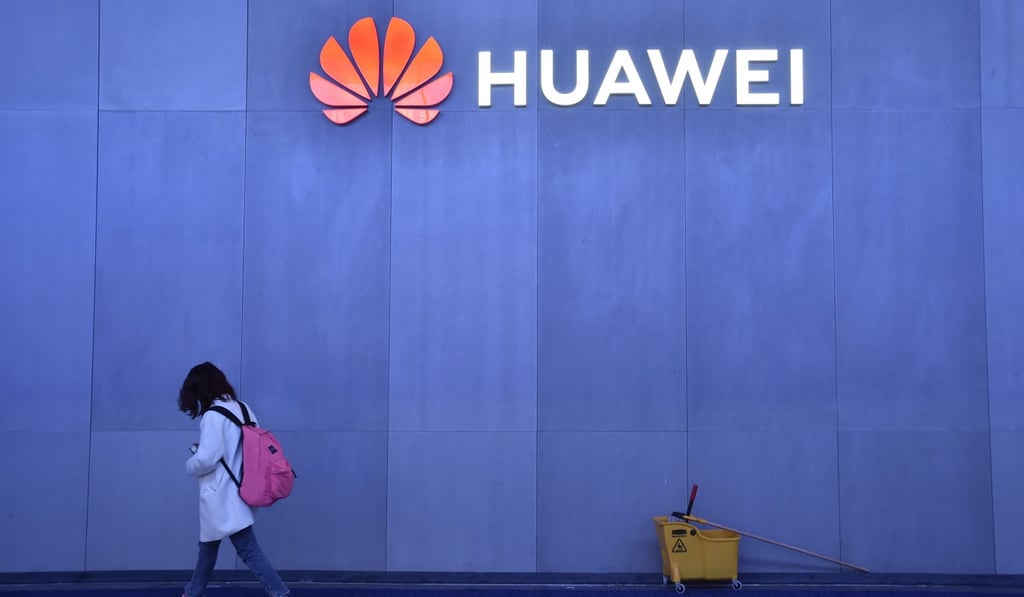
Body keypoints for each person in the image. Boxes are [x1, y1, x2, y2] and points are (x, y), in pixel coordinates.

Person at [177, 362, 289, 597]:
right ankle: (193, 592)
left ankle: (280, 593)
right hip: (244, 487)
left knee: (246, 549)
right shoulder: (244, 408)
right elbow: (242, 449)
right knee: (208, 546)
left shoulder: (212, 416)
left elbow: (206, 459)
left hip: (221, 495)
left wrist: (191, 462)